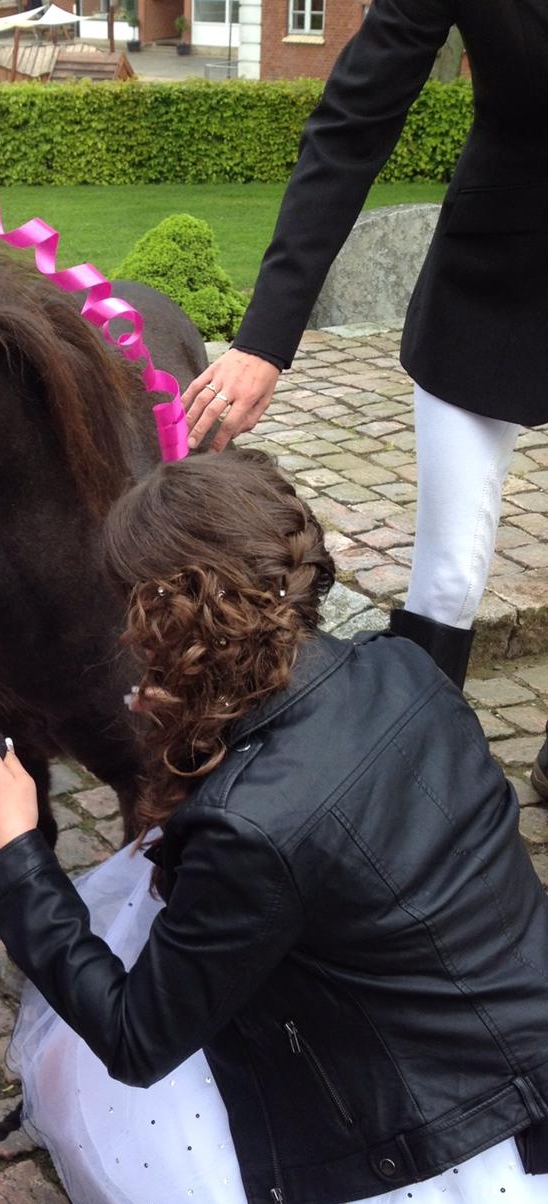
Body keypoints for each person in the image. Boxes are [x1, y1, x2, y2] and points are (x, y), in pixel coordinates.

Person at [0, 449, 548, 1204]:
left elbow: (136, 1036)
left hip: (434, 1120)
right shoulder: (402, 671)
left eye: (135, 608)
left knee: (91, 1087)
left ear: (175, 618)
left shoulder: (249, 830)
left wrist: (14, 856)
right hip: (510, 1020)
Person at [179, 0, 548, 785]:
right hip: (495, 281)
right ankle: (407, 792)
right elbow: (354, 122)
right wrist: (265, 339)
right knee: (448, 574)